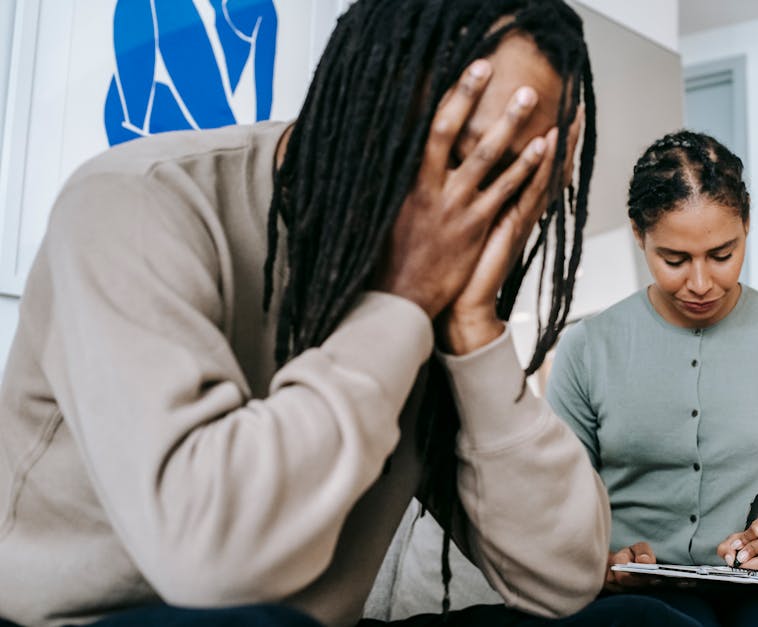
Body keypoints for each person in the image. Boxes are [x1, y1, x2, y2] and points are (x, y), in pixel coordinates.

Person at [0, 1, 700, 626]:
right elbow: (209, 561)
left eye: (516, 175)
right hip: (114, 615)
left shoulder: (444, 299)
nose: (478, 203)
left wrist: (473, 332)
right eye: (461, 150)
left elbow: (564, 577)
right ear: (365, 92)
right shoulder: (135, 205)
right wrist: (401, 301)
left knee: (641, 620)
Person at [546, 130, 758, 627]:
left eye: (722, 254)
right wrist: (601, 566)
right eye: (675, 260)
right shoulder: (585, 348)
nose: (702, 283)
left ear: (747, 226)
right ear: (638, 234)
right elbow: (559, 515)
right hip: (637, 594)